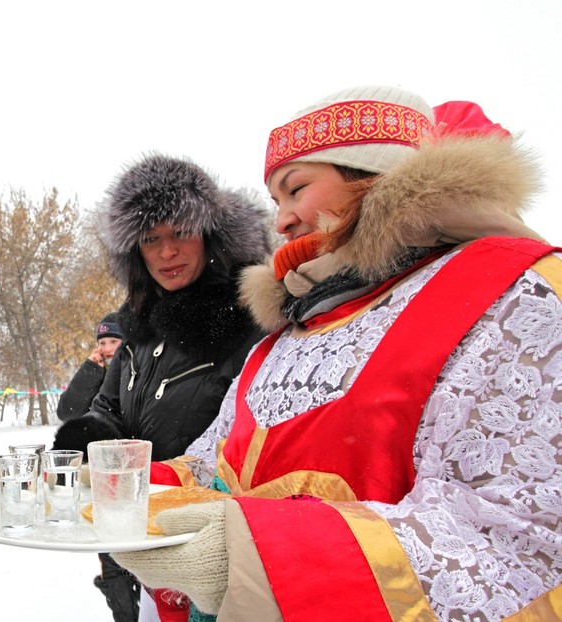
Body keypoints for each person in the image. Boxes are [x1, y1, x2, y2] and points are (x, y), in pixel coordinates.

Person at [112, 85, 562, 621]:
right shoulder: (291, 329)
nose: (281, 220)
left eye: (296, 188)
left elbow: (519, 538)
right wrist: (121, 488)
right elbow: (216, 462)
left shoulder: (515, 291)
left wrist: (255, 558)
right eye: (276, 200)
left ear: (374, 173)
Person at [52, 153, 272, 622]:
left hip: (209, 543)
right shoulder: (137, 326)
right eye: (152, 239)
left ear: (210, 236)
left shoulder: (248, 322)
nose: (167, 252)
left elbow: (241, 444)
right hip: (132, 529)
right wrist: (87, 437)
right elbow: (109, 408)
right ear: (135, 250)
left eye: (180, 233)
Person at [56, 312, 124, 422]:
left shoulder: (140, 369)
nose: (107, 348)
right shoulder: (98, 375)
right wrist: (90, 371)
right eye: (102, 343)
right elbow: (67, 413)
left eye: (114, 341)